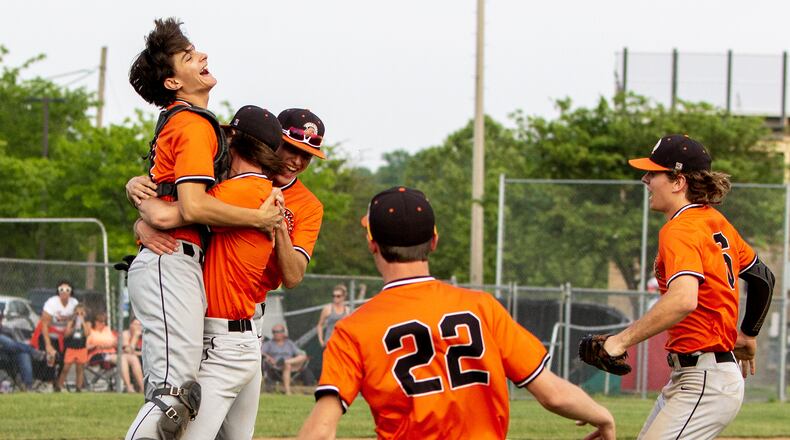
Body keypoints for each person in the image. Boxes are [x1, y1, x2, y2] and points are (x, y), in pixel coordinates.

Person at [298, 187, 616, 440]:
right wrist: (602, 416)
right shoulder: (482, 307)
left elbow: (322, 429)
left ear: (373, 244)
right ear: (434, 241)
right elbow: (552, 393)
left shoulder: (354, 328)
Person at [124, 18, 283, 440]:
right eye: (189, 56)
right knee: (173, 394)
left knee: (177, 395)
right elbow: (192, 205)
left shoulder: (188, 121)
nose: (203, 56)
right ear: (174, 81)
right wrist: (256, 218)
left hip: (175, 258)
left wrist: (149, 215)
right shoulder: (193, 124)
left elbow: (169, 206)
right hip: (170, 259)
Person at [597, 135, 775, 439]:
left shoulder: (679, 229)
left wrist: (621, 341)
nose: (646, 179)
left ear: (678, 181)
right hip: (700, 376)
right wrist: (748, 334)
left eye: (654, 173)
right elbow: (763, 278)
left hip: (704, 380)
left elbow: (683, 299)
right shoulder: (714, 221)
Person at [0, 308, 45, 391]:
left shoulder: (8, 329)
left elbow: (18, 343)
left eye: (0, 317)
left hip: (10, 354)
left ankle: (28, 386)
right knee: (3, 339)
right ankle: (33, 351)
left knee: (23, 353)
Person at [262, 324, 313, 395]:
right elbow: (260, 351)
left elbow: (299, 352)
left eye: (278, 331)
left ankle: (285, 361)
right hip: (276, 365)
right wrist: (268, 357)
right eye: (274, 332)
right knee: (287, 365)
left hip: (291, 364)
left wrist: (299, 355)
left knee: (302, 356)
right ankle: (288, 391)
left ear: (283, 332)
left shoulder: (289, 343)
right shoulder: (269, 344)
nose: (276, 334)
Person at [55, 304, 90, 392]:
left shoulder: (87, 323)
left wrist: (82, 323)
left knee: (79, 368)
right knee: (66, 368)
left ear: (85, 314)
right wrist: (74, 327)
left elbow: (87, 333)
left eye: (81, 313)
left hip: (81, 348)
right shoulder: (71, 322)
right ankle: (59, 386)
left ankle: (78, 387)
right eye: (77, 313)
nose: (79, 315)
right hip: (71, 348)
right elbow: (66, 334)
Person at [121, 318, 144, 393]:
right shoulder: (126, 334)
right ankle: (131, 387)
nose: (138, 327)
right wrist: (135, 337)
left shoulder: (145, 335)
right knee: (130, 358)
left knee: (131, 357)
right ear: (131, 325)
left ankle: (141, 387)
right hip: (129, 358)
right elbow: (127, 350)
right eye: (136, 324)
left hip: (144, 359)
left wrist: (136, 353)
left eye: (140, 325)